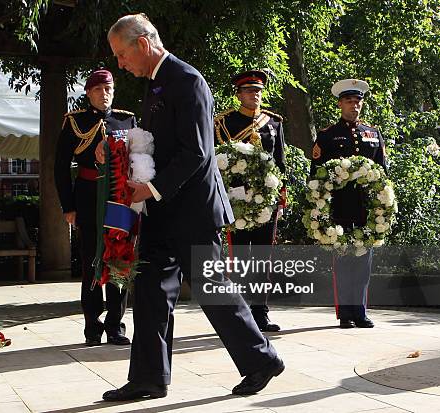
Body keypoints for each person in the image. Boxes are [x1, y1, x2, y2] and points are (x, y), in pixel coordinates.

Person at [100, 13, 284, 401]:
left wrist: (150, 189)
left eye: (121, 54)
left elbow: (197, 153)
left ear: (143, 44)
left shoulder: (188, 81)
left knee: (212, 288)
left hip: (192, 211)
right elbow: (154, 142)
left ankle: (261, 359)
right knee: (149, 291)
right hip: (161, 211)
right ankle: (149, 377)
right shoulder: (154, 86)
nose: (119, 63)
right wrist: (118, 146)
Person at [54, 69, 136, 346]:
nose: (105, 94)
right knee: (91, 260)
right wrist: (69, 205)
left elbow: (138, 161)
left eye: (109, 88)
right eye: (99, 89)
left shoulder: (126, 120)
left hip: (120, 198)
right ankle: (92, 325)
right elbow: (60, 168)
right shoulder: (76, 121)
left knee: (119, 259)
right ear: (89, 92)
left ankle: (116, 324)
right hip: (88, 197)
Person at [310, 78, 388, 329]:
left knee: (364, 259)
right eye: (349, 101)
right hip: (340, 206)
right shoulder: (328, 135)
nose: (354, 106)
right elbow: (316, 175)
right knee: (343, 259)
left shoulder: (373, 134)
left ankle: (360, 310)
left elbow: (383, 173)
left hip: (367, 207)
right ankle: (345, 312)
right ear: (340, 104)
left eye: (358, 101)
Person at [214, 70, 286, 332]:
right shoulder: (224, 122)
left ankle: (261, 312)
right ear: (239, 94)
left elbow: (280, 163)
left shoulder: (274, 123)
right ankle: (241, 311)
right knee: (241, 257)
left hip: (267, 200)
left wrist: (281, 197)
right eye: (248, 91)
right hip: (238, 200)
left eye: (257, 91)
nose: (254, 95)